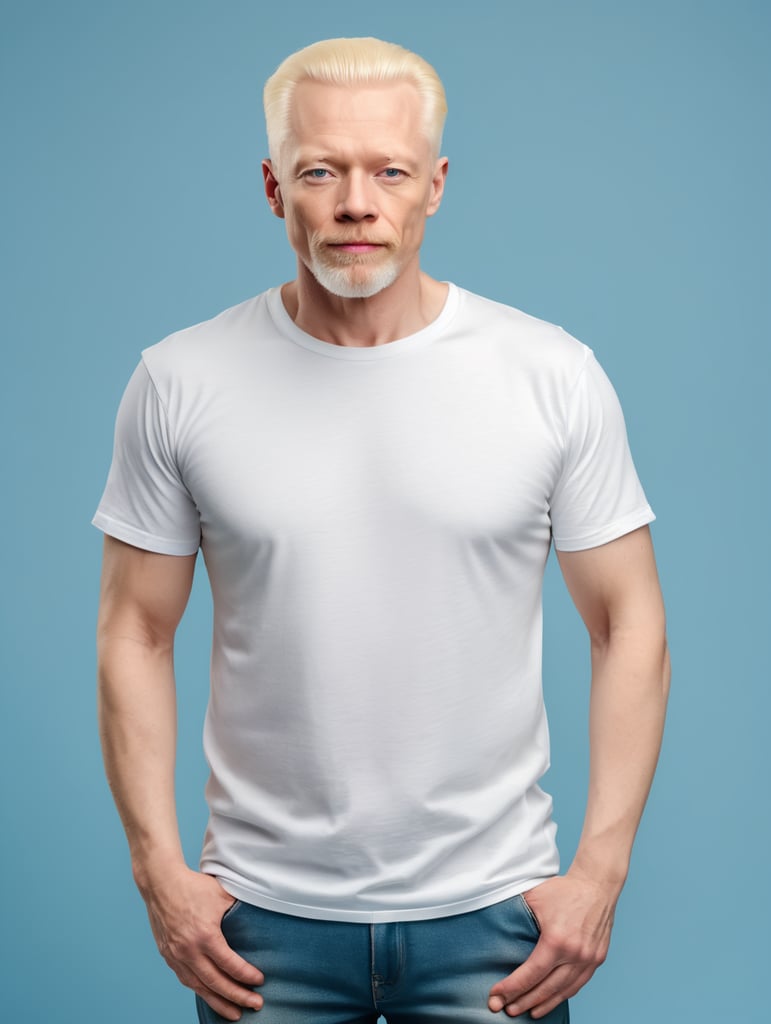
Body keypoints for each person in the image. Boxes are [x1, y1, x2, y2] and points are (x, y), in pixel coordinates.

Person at [94, 36, 669, 1024]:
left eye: (389, 171)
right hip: (260, 925)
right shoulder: (181, 380)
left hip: (495, 919)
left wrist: (599, 874)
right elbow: (134, 631)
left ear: (434, 186)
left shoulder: (551, 375)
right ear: (274, 188)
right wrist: (158, 872)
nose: (356, 203)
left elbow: (629, 622)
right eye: (321, 171)